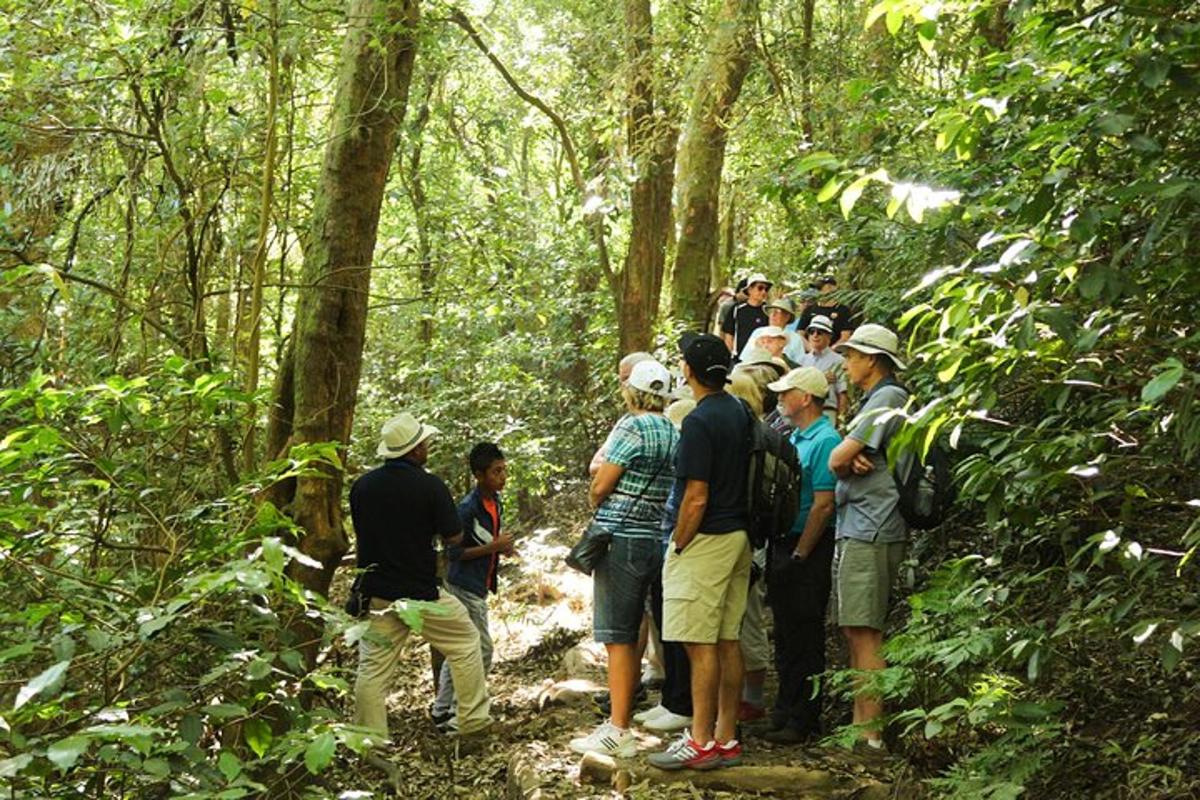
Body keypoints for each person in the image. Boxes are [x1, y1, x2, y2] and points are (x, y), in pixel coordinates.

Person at [351, 413, 491, 740]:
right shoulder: (430, 485)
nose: (427, 447)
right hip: (421, 593)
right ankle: (472, 724)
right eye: (423, 443)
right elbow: (454, 537)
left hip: (378, 593)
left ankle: (370, 744)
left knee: (371, 671)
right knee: (467, 642)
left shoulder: (362, 487)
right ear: (414, 451)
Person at [649, 333, 751, 771]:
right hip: (740, 536)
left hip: (706, 538)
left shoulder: (698, 420)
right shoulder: (740, 411)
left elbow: (696, 495)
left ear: (689, 370)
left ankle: (701, 739)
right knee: (727, 638)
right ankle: (726, 737)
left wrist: (680, 542)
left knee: (698, 642)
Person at [570, 359, 678, 758]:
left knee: (618, 635)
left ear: (631, 390)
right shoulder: (673, 429)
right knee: (637, 629)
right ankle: (620, 720)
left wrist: (596, 495)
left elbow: (602, 482)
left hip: (621, 540)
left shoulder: (632, 426)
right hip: (656, 537)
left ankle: (619, 727)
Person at [827, 324, 910, 751]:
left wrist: (845, 456)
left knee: (865, 631)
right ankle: (861, 728)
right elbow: (844, 455)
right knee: (857, 628)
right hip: (861, 524)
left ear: (872, 360)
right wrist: (847, 455)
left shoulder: (888, 397)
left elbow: (835, 457)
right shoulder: (875, 400)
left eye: (852, 355)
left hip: (872, 525)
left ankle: (871, 734)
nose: (847, 363)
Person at [763, 367, 841, 744]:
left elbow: (824, 506)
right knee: (785, 631)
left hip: (806, 549)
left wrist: (800, 554)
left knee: (806, 634)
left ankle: (804, 717)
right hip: (783, 543)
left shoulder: (826, 439)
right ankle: (784, 706)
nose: (779, 398)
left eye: (785, 393)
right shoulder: (794, 436)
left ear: (806, 398)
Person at [430, 443, 512, 730]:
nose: (502, 477)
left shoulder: (496, 502)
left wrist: (500, 549)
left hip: (479, 584)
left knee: (460, 648)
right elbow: (454, 553)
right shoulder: (466, 508)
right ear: (479, 475)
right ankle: (458, 711)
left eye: (503, 470)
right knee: (481, 650)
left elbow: (486, 541)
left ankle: (443, 709)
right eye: (495, 472)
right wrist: (494, 546)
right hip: (463, 585)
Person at [635, 396, 697, 735]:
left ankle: (683, 704)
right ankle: (672, 699)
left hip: (682, 550)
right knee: (666, 625)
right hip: (666, 546)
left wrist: (679, 545)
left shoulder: (697, 459)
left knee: (680, 631)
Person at [589, 352, 654, 476]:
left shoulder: (673, 416)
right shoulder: (627, 420)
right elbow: (595, 465)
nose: (623, 386)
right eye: (622, 380)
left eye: (627, 378)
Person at [798, 315, 849, 425]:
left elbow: (842, 393)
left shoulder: (839, 361)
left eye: (820, 332)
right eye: (812, 331)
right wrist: (821, 378)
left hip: (828, 412)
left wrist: (841, 420)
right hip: (804, 413)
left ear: (829, 336)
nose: (815, 335)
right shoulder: (802, 360)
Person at [722, 273, 772, 356]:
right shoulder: (737, 309)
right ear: (750, 290)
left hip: (760, 359)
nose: (763, 292)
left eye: (766, 289)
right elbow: (729, 335)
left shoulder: (768, 311)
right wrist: (730, 356)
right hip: (738, 359)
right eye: (760, 288)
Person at [798, 276, 855, 344]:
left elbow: (845, 337)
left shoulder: (843, 310)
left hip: (835, 352)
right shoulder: (809, 310)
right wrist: (811, 349)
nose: (818, 291)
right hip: (810, 351)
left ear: (831, 288)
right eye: (817, 288)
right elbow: (800, 334)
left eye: (820, 288)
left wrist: (829, 352)